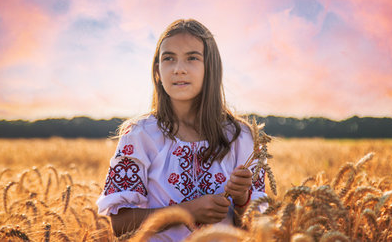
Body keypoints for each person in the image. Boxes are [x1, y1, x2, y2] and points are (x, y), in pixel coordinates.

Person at [96, 19, 267, 241]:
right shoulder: (139, 134)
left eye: (192, 58)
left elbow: (258, 228)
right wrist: (187, 211)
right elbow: (119, 223)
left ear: (211, 67)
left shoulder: (241, 137)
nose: (179, 69)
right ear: (158, 70)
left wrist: (242, 199)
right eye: (169, 59)